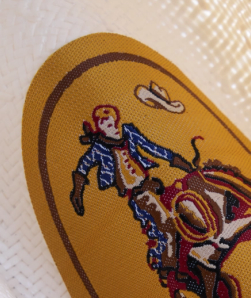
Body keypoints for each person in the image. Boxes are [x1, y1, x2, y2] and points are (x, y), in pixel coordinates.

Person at [70, 104, 193, 270]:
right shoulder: (99, 148)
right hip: (138, 194)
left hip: (152, 184)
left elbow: (151, 147)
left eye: (109, 118)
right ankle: (169, 267)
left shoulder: (128, 132)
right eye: (103, 122)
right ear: (99, 127)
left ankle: (191, 254)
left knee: (185, 210)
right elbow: (83, 166)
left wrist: (176, 160)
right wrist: (77, 191)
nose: (108, 123)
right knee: (167, 225)